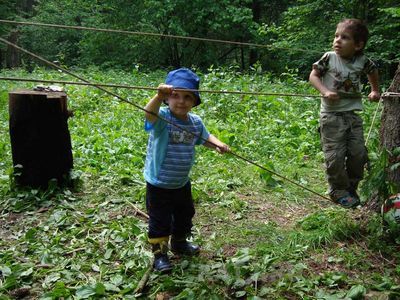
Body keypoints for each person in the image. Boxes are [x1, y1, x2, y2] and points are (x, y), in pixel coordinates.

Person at [143, 68, 230, 272]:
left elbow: (205, 138)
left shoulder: (195, 122)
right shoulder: (162, 118)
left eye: (187, 97)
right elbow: (149, 114)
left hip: (181, 182)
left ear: (194, 101)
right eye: (175, 96)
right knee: (159, 221)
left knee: (185, 213)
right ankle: (160, 255)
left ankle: (179, 242)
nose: (181, 101)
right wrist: (158, 96)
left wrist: (218, 144)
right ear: (167, 99)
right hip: (159, 183)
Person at [309, 18, 380, 208]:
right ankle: (337, 190)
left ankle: (351, 188)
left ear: (358, 45)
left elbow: (372, 71)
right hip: (331, 117)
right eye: (336, 36)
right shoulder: (329, 57)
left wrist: (374, 90)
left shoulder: (362, 61)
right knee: (335, 157)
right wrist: (324, 91)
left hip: (352, 116)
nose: (337, 40)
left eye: (344, 37)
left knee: (358, 154)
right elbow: (313, 76)